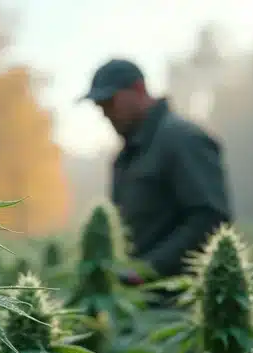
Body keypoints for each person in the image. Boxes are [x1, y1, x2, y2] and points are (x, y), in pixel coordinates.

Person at [80, 58, 232, 297]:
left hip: (179, 302)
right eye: (100, 106)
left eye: (110, 102)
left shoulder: (184, 140)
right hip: (138, 299)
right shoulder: (126, 155)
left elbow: (210, 218)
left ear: (139, 89)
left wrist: (148, 268)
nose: (105, 113)